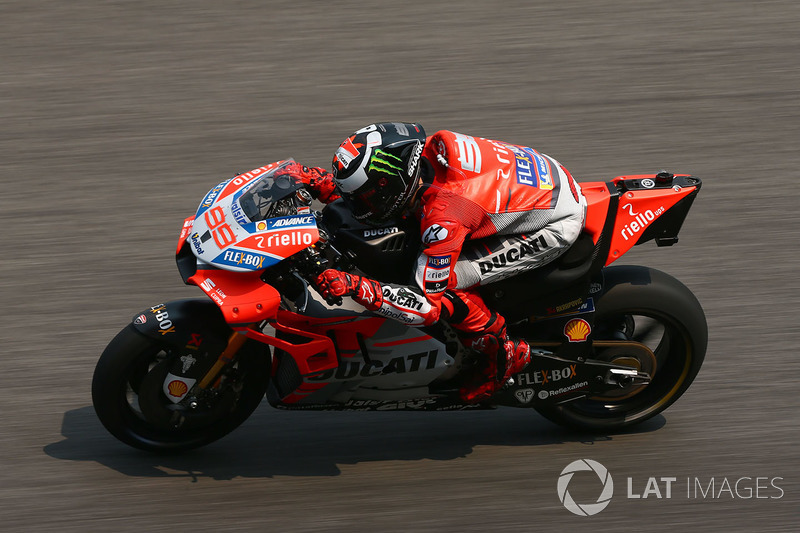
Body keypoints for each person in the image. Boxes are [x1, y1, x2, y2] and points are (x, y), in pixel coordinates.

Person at [286, 122, 587, 402]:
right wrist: (320, 183)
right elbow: (380, 187)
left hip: (553, 222)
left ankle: (498, 352)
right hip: (534, 182)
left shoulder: (444, 217)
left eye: (367, 196)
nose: (358, 205)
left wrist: (356, 286)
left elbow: (426, 307)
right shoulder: (421, 154)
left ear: (392, 183)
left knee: (447, 284)